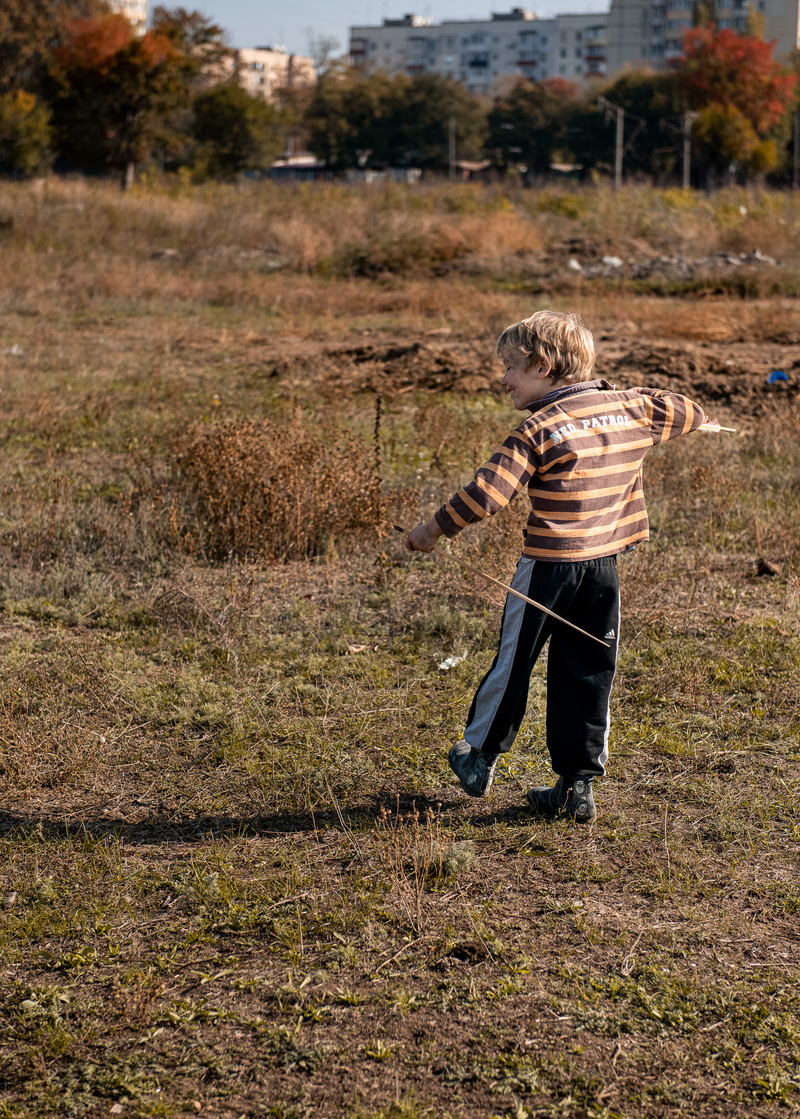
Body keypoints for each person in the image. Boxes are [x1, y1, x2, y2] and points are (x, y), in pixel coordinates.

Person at [404, 310, 707, 823]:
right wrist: (613, 393)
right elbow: (690, 411)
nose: (503, 379)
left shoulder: (538, 427)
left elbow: (486, 494)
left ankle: (478, 757)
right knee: (590, 669)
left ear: (543, 365)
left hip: (548, 568)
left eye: (511, 368)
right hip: (603, 569)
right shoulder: (631, 408)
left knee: (514, 659)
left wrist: (430, 532)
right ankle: (577, 786)